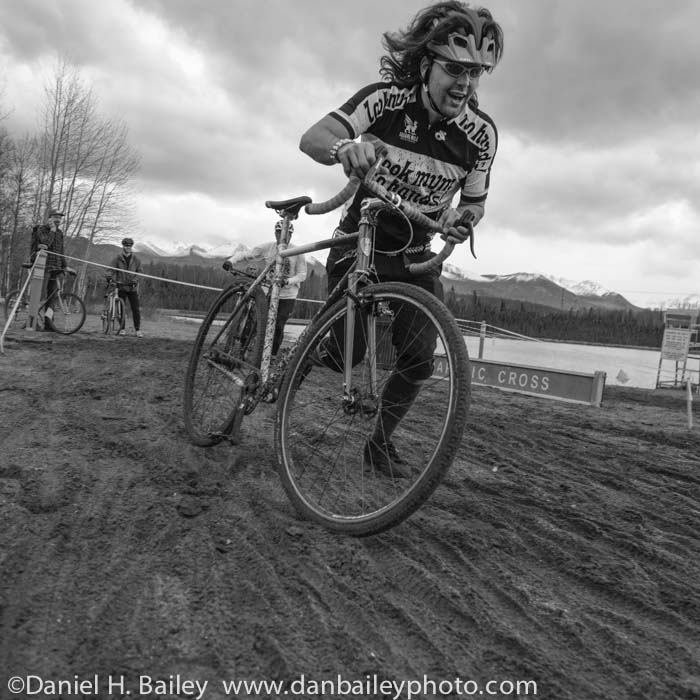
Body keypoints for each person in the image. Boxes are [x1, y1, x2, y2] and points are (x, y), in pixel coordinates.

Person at [298, 1, 503, 476]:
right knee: (348, 355)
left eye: (476, 74)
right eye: (455, 69)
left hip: (415, 255)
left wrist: (463, 218)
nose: (465, 84)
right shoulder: (387, 100)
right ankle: (302, 361)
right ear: (427, 64)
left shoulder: (481, 134)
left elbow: (476, 201)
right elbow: (313, 136)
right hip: (360, 240)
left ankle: (379, 444)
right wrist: (344, 147)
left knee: (417, 359)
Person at [225, 222, 307, 356]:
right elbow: (248, 254)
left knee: (278, 325)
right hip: (268, 291)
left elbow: (302, 275)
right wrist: (231, 261)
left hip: (287, 295)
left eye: (288, 234)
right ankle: (244, 350)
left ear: (292, 235)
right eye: (280, 233)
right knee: (256, 321)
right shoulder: (268, 247)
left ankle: (272, 356)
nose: (284, 236)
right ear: (275, 233)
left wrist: (287, 281)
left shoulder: (298, 252)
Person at [30, 209, 67, 330]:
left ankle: (48, 323)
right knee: (41, 295)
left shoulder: (60, 233)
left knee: (52, 296)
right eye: (56, 217)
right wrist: (52, 230)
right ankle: (33, 321)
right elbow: (45, 243)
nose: (58, 220)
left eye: (60, 218)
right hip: (43, 266)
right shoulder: (41, 229)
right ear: (49, 218)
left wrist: (65, 266)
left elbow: (61, 250)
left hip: (55, 267)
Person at [108, 237, 144, 337]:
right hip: (121, 287)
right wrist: (109, 277)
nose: (128, 247)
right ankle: (122, 329)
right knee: (121, 308)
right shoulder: (117, 258)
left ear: (132, 247)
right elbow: (110, 269)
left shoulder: (136, 259)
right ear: (123, 246)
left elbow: (140, 272)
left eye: (130, 246)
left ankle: (137, 330)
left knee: (136, 309)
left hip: (132, 287)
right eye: (126, 245)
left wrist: (135, 281)